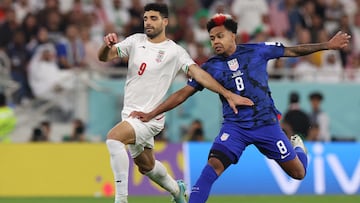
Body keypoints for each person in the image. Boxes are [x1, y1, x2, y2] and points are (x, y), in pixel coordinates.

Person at [129, 13, 351, 203]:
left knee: (298, 173)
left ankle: (299, 148)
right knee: (213, 165)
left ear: (233, 35)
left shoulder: (258, 51)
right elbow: (182, 94)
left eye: (220, 36)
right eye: (212, 38)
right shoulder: (210, 67)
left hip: (267, 125)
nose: (215, 41)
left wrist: (327, 45)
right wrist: (151, 113)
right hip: (235, 128)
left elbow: (292, 51)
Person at [97, 4, 253, 203]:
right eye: (146, 18)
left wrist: (226, 93)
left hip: (149, 117)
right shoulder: (135, 41)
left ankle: (121, 199)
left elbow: (199, 75)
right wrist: (106, 46)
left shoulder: (175, 51)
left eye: (153, 18)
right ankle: (177, 190)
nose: (148, 22)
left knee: (114, 139)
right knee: (147, 167)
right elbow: (104, 57)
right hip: (130, 115)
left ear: (165, 21)